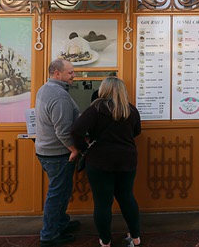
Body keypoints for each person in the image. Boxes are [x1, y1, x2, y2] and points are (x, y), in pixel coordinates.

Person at [71, 77, 142, 247]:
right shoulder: (131, 109)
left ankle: (105, 241)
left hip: (100, 162)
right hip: (127, 160)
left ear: (104, 90)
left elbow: (76, 130)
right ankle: (135, 238)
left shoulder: (95, 108)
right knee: (127, 198)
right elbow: (137, 132)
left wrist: (83, 147)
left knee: (103, 203)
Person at [35, 59, 81, 246]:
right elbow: (62, 130)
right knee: (57, 194)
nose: (74, 75)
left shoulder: (45, 88)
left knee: (61, 192)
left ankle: (60, 223)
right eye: (70, 72)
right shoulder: (59, 96)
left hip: (47, 150)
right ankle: (50, 235)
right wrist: (74, 149)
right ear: (57, 74)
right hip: (57, 153)